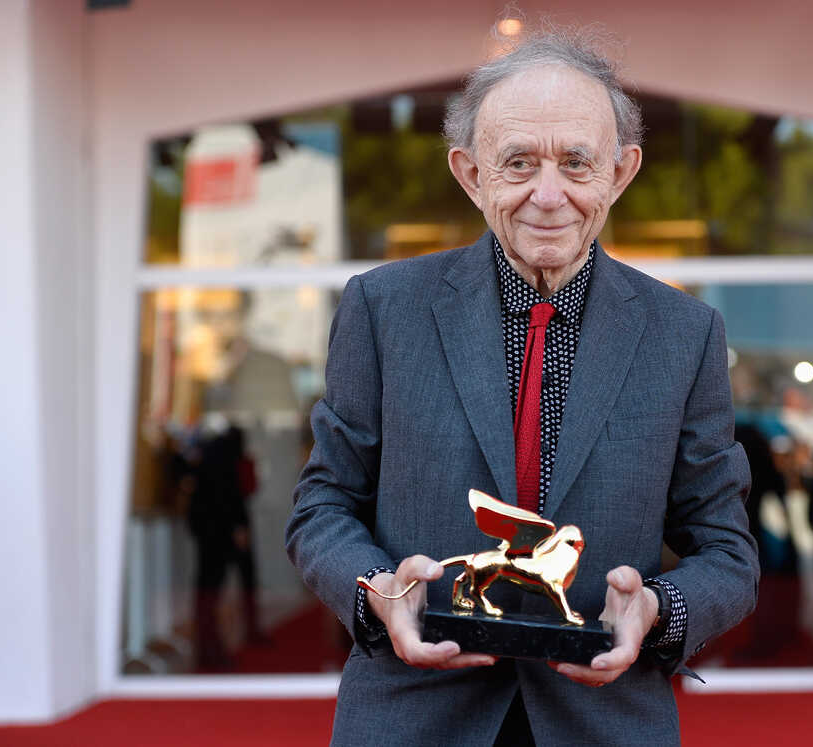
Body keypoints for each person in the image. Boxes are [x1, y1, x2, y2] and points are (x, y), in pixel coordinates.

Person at [285, 28, 758, 746]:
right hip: (414, 715)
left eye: (576, 162)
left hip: (606, 721)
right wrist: (377, 589)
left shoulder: (683, 334)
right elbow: (322, 506)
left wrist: (658, 609)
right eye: (518, 163)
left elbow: (728, 551)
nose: (549, 194)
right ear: (471, 174)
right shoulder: (384, 310)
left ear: (621, 172)